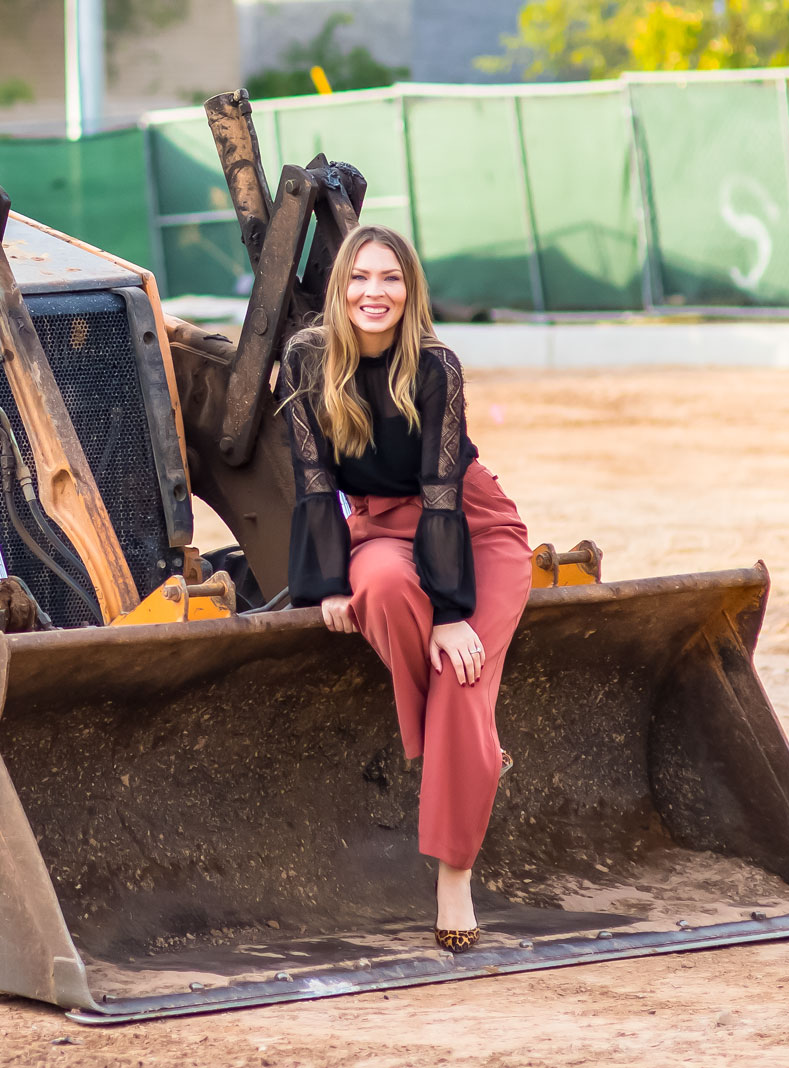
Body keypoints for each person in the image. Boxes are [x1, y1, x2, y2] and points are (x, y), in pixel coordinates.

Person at [277, 224, 531, 952]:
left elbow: (445, 492)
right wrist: (326, 581)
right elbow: (313, 482)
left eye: (389, 279)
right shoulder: (306, 358)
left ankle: (454, 873)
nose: (373, 292)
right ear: (340, 289)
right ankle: (473, 751)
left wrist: (454, 613)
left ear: (409, 291)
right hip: (379, 533)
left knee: (458, 670)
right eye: (359, 278)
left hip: (473, 529)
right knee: (381, 589)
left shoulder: (435, 366)